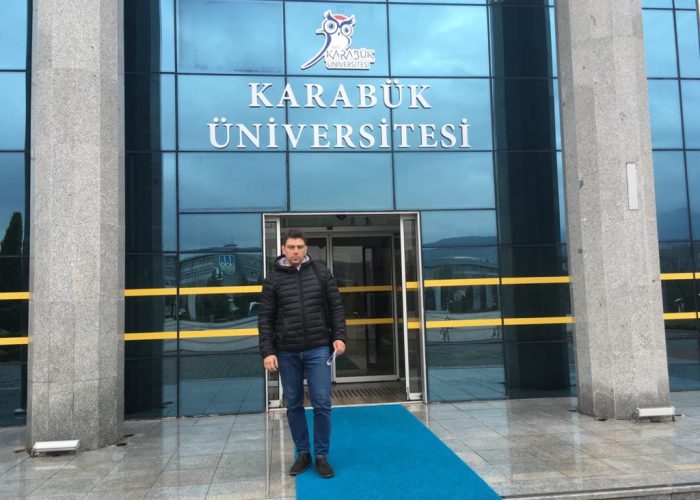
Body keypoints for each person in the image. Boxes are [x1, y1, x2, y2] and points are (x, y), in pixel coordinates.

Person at [258, 229, 347, 478]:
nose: (295, 251)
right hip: (286, 352)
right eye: (291, 247)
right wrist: (268, 351)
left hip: (318, 348)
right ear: (283, 249)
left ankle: (321, 456)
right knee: (294, 404)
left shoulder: (321, 273)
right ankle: (304, 453)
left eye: (299, 247)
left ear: (306, 248)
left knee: (322, 402)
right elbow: (265, 318)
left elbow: (336, 308)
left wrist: (339, 336)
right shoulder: (272, 279)